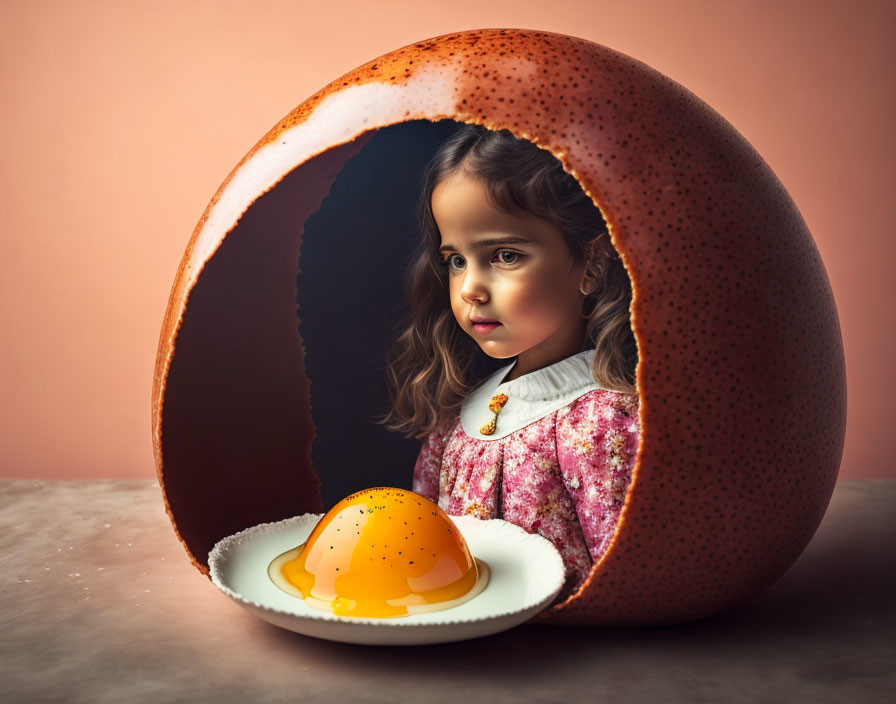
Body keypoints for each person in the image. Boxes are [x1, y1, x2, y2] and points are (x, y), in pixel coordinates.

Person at [377, 124, 641, 601]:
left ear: (591, 265)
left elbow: (626, 579)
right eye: (456, 260)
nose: (469, 288)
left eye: (505, 255)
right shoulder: (459, 416)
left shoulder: (604, 424)